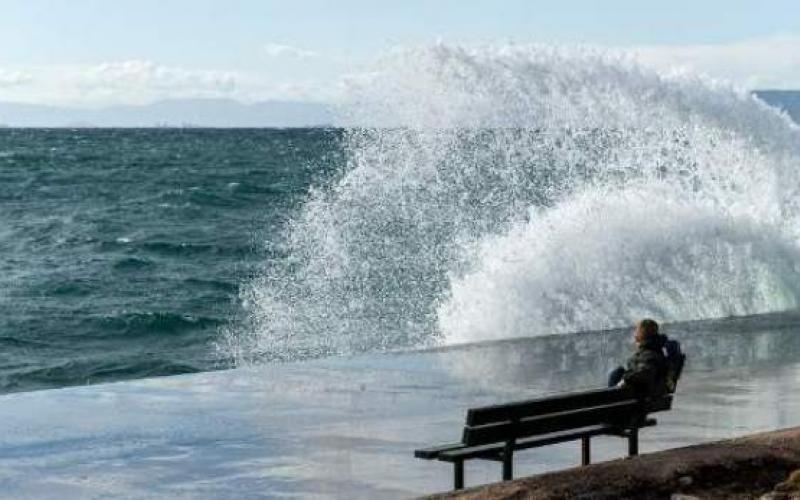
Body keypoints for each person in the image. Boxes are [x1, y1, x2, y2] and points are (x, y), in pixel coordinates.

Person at [608, 318, 668, 398]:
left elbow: (645, 371)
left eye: (636, 330)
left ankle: (609, 399)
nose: (634, 334)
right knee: (619, 372)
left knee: (616, 374)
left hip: (640, 395)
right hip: (641, 391)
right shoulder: (653, 349)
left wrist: (626, 380)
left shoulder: (650, 353)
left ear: (642, 333)